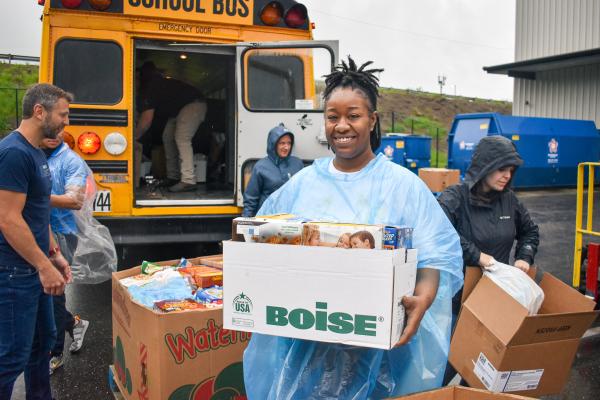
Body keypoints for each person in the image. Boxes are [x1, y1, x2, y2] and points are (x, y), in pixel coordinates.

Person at [242, 57, 463, 399]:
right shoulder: (302, 185)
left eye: (353, 115)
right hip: (307, 344)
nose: (341, 126)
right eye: (333, 117)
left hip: (381, 356)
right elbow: (262, 243)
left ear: (372, 119)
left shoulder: (403, 186)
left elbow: (436, 256)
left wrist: (426, 296)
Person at [437, 135, 539, 384]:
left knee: (482, 369)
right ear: (484, 166)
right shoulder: (454, 198)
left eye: (511, 170)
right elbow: (439, 231)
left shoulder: (510, 201)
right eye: (501, 169)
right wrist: (476, 256)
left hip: (495, 300)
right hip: (455, 301)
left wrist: (524, 256)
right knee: (443, 367)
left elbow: (530, 232)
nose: (507, 175)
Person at [0, 83, 72, 399]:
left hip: (34, 266)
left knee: (42, 343)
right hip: (15, 272)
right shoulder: (14, 153)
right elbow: (8, 219)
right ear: (39, 111)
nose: (66, 122)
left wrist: (54, 252)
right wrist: (43, 266)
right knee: (11, 356)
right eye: (63, 114)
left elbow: (37, 212)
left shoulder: (36, 151)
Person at [41, 132, 90, 374]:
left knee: (54, 293)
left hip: (62, 233)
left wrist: (36, 197)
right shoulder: (31, 154)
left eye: (57, 129)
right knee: (41, 292)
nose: (52, 135)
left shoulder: (71, 161)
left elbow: (75, 200)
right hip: (35, 228)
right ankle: (73, 323)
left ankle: (55, 353)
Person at [135, 61, 207, 192]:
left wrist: (133, 138)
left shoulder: (150, 87)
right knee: (167, 137)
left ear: (140, 77)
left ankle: (188, 180)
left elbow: (146, 121)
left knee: (182, 138)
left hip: (194, 104)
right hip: (178, 109)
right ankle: (173, 176)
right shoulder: (156, 84)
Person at [242, 123, 304, 217]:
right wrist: (245, 224)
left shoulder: (298, 164)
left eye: (289, 143)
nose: (286, 147)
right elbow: (251, 200)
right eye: (282, 143)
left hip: (292, 220)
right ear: (273, 144)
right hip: (267, 219)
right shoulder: (261, 167)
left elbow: (304, 194)